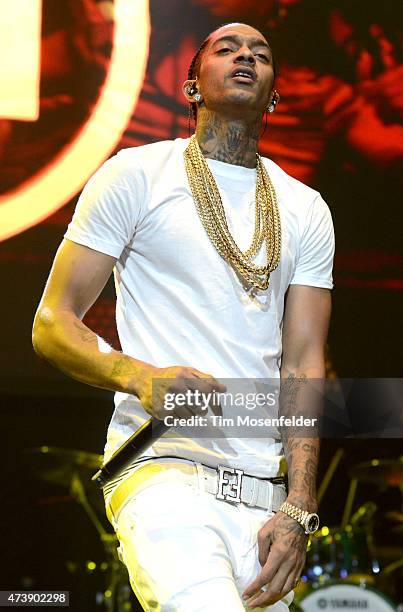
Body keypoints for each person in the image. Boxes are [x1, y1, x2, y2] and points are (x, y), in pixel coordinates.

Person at [32, 22, 334, 611]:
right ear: (191, 86)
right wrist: (140, 377)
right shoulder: (137, 175)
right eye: (226, 49)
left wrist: (299, 506)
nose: (245, 56)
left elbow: (304, 365)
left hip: (264, 491)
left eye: (261, 54)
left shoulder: (306, 208)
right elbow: (52, 322)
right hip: (164, 467)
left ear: (275, 93)